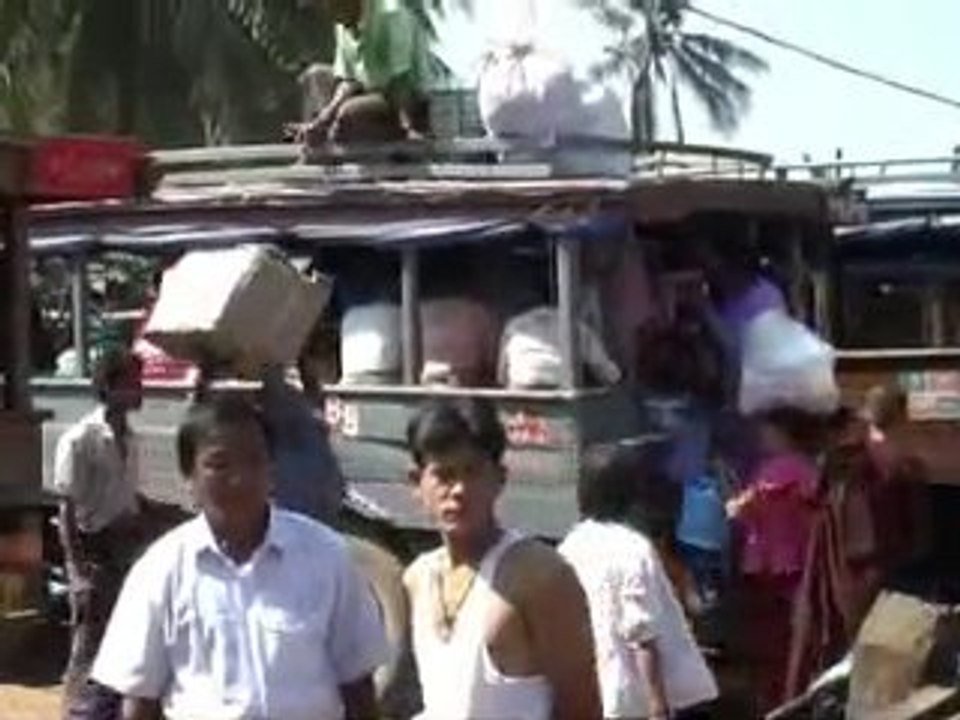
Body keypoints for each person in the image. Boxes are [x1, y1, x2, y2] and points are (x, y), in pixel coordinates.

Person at [91, 396, 388, 720]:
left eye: (254, 461)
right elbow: (139, 701)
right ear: (188, 475)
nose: (240, 479)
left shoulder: (326, 556)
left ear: (271, 467)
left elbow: (359, 688)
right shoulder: (160, 570)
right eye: (219, 465)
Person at [402, 398, 601, 720]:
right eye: (444, 475)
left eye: (473, 472)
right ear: (417, 482)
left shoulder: (539, 575)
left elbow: (582, 703)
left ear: (500, 478)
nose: (459, 490)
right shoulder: (418, 578)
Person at [559, 444, 719, 720]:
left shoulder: (569, 548)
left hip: (601, 692)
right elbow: (641, 631)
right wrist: (656, 705)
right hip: (637, 696)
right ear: (631, 494)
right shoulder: (633, 548)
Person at [53, 348, 145, 720]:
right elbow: (67, 510)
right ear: (109, 387)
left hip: (125, 551)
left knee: (123, 644)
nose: (141, 391)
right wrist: (76, 573)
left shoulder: (131, 439)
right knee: (87, 648)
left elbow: (126, 497)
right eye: (133, 383)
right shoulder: (80, 439)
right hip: (94, 553)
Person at [726, 407, 822, 715]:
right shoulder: (809, 468)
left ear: (783, 436)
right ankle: (795, 693)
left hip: (768, 564)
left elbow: (743, 508)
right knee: (794, 635)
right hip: (796, 560)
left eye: (767, 432)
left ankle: (774, 700)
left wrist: (732, 504)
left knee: (770, 638)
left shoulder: (774, 470)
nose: (762, 438)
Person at [290, 0, 430, 144]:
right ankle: (317, 136)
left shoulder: (392, 14)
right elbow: (349, 80)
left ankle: (334, 137)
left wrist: (408, 127)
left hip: (403, 101)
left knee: (349, 114)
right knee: (315, 76)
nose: (328, 13)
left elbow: (401, 81)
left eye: (329, 5)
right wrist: (325, 117)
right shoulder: (343, 21)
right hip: (370, 90)